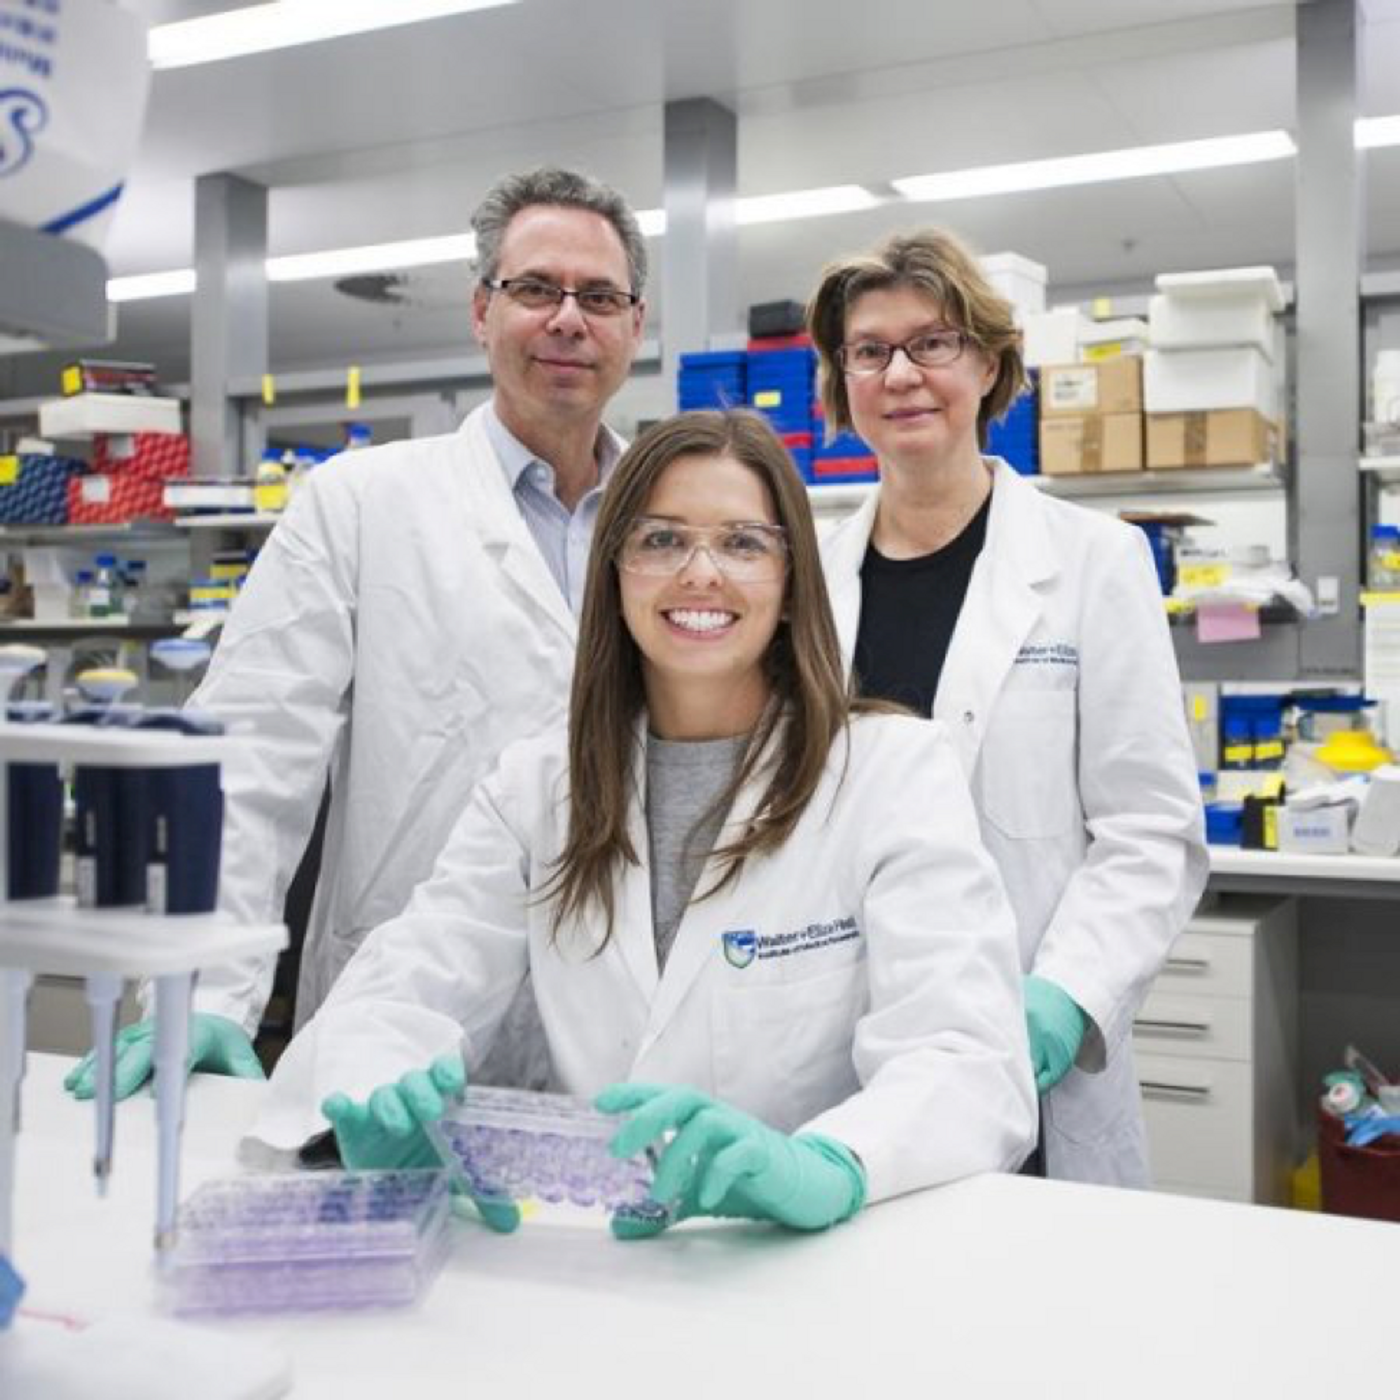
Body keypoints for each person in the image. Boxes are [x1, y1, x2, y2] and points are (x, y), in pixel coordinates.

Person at [250, 410, 1036, 1237]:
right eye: (661, 540)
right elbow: (407, 985)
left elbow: (966, 1057)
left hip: (811, 1264)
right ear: (615, 566)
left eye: (742, 543)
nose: (701, 573)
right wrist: (377, 1096)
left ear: (792, 576)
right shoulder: (537, 784)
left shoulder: (892, 772)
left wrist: (828, 1164)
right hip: (601, 1259)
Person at [66, 167, 647, 1102]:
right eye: (535, 288)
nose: (568, 318)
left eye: (600, 296)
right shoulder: (359, 503)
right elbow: (251, 759)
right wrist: (208, 990)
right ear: (481, 311)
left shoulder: (678, 520)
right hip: (399, 1008)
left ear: (635, 325)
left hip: (624, 1017)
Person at [809, 229, 1208, 1187]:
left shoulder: (1091, 561)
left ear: (989, 363)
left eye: (933, 343)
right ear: (842, 382)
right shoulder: (806, 579)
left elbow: (1150, 827)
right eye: (869, 351)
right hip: (842, 1037)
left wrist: (1067, 995)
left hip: (1023, 1042)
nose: (901, 373)